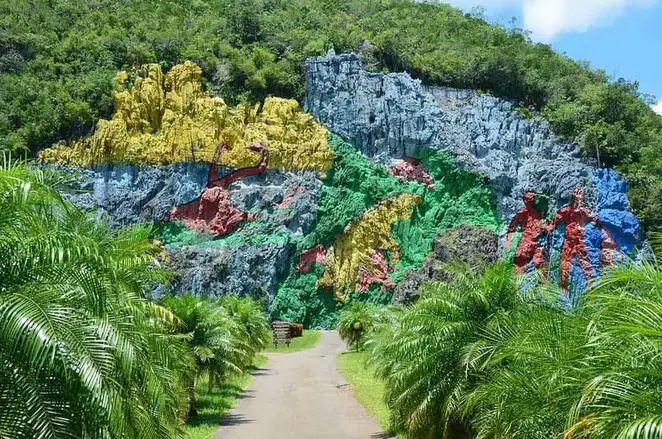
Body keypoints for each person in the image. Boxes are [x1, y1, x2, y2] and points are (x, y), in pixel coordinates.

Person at [546, 187, 601, 294]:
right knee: (565, 264)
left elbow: (596, 221)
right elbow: (555, 221)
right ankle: (563, 289)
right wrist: (547, 228)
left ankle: (593, 287)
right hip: (569, 242)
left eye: (580, 194)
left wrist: (588, 228)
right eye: (576, 193)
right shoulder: (566, 211)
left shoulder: (585, 212)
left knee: (586, 263)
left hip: (581, 241)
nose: (578, 197)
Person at [506, 192, 547, 274]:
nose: (530, 201)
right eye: (527, 199)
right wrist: (509, 241)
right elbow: (511, 228)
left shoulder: (536, 214)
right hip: (525, 242)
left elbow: (541, 226)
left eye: (532, 199)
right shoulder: (521, 213)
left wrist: (544, 227)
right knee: (520, 260)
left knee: (539, 262)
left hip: (535, 242)